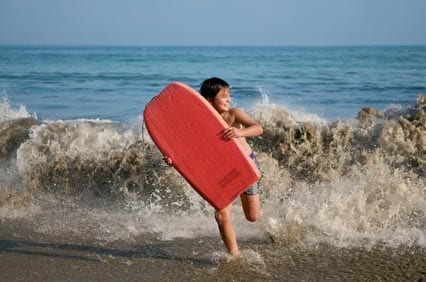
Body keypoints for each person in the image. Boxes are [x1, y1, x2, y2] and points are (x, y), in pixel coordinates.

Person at [165, 77, 263, 257]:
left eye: (229, 96)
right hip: (221, 170)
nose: (229, 99)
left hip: (246, 166)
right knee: (221, 216)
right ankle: (235, 256)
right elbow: (190, 150)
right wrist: (174, 160)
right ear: (209, 100)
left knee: (253, 217)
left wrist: (240, 132)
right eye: (224, 96)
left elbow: (258, 128)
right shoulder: (199, 123)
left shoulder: (234, 114)